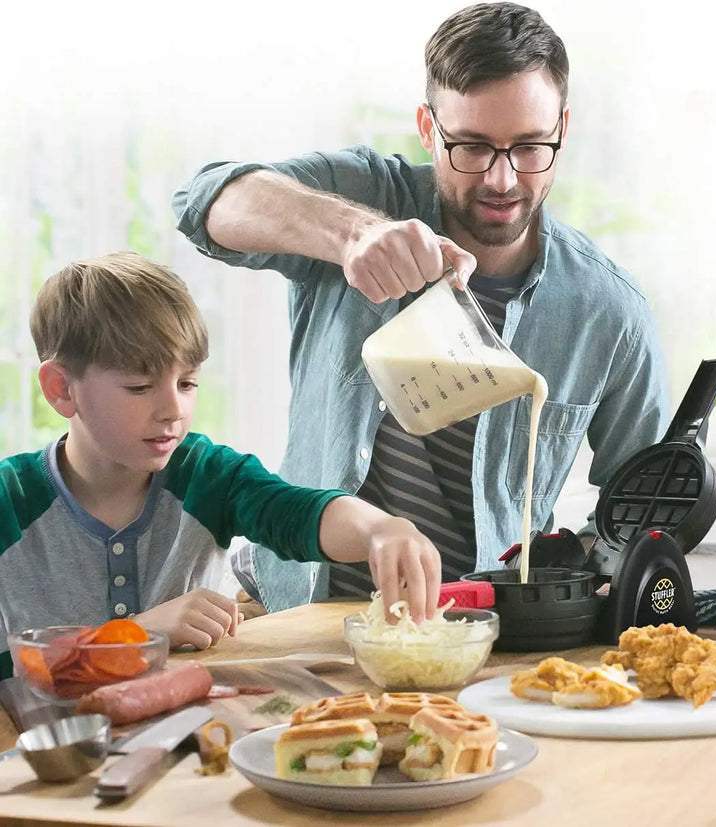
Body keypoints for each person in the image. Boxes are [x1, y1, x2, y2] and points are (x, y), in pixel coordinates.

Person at [171, 1, 670, 613]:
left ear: (561, 129)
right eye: (472, 147)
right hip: (298, 607)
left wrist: (569, 583)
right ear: (429, 128)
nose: (502, 179)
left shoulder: (609, 311)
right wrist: (351, 233)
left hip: (479, 629)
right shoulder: (365, 193)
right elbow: (203, 201)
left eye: (529, 146)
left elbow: (646, 504)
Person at [0, 252, 442, 680]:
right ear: (61, 389)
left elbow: (295, 513)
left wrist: (380, 529)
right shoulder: (9, 502)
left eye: (187, 383)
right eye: (139, 387)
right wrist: (138, 634)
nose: (173, 410)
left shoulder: (205, 474)